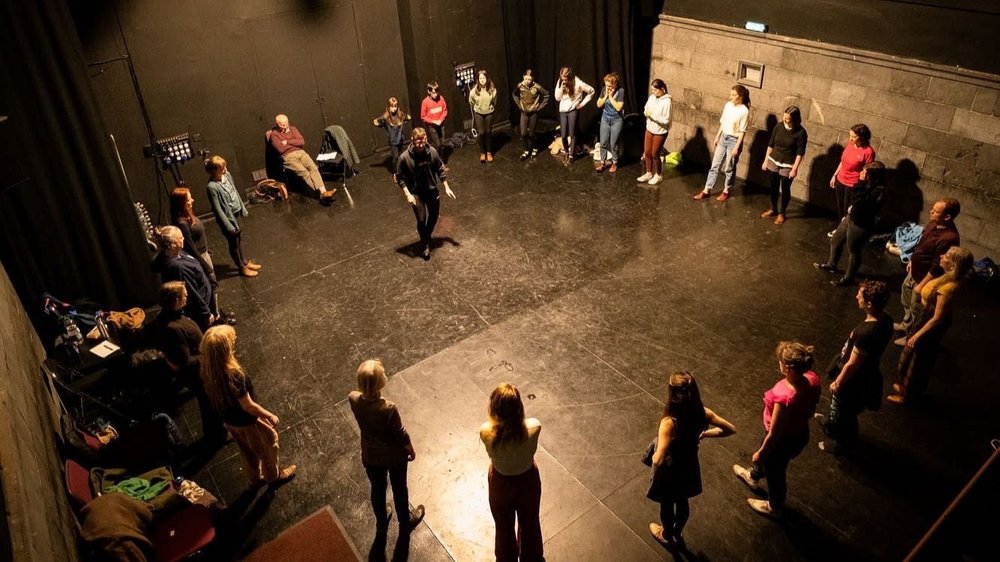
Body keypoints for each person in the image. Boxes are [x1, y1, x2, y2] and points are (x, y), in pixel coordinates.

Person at [647, 372, 735, 549]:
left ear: (672, 394)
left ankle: (666, 535)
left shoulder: (669, 423)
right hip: (689, 466)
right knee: (682, 500)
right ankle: (678, 534)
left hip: (670, 471)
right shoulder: (703, 413)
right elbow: (730, 429)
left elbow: (658, 458)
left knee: (667, 503)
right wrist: (706, 434)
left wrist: (656, 453)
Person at [199, 325, 296, 486]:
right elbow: (248, 405)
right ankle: (273, 477)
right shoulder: (235, 376)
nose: (234, 343)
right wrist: (269, 415)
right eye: (232, 341)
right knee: (269, 443)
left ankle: (254, 479)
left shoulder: (208, 371)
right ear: (226, 350)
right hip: (246, 422)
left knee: (247, 451)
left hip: (230, 421)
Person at [733, 341, 820, 518]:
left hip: (781, 442)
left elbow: (775, 433)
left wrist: (761, 453)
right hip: (801, 433)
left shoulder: (784, 397)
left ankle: (774, 506)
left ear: (787, 367)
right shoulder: (811, 378)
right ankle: (754, 475)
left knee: (776, 473)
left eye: (779, 361)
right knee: (772, 465)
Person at [348, 360, 426, 535]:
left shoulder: (353, 399)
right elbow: (401, 434)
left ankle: (382, 518)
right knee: (399, 488)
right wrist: (410, 448)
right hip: (394, 457)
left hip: (370, 455)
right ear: (380, 383)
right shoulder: (388, 408)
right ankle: (405, 521)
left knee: (377, 488)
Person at [888, 246, 974, 404]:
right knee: (910, 357)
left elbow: (937, 318)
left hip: (929, 324)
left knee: (916, 361)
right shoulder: (947, 277)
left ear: (954, 265)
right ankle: (905, 387)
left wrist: (917, 335)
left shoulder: (947, 289)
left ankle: (907, 396)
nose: (941, 256)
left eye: (947, 256)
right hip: (924, 318)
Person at [817, 281, 893, 453]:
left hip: (854, 380)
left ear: (869, 304)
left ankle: (843, 444)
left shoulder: (867, 333)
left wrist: (839, 381)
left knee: (846, 413)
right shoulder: (886, 319)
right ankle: (831, 424)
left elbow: (852, 364)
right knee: (839, 410)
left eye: (860, 295)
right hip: (865, 373)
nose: (856, 296)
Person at [155, 281, 226, 445]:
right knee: (209, 405)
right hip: (199, 374)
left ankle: (216, 433)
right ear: (177, 299)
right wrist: (209, 353)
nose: (187, 297)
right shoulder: (172, 327)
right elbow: (185, 361)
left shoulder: (169, 315)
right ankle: (215, 437)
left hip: (201, 368)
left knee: (209, 403)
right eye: (185, 295)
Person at [480, 383, 542, 562]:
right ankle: (532, 557)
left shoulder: (486, 433)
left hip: (501, 484)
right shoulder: (534, 428)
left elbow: (491, 427)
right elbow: (527, 424)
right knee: (530, 523)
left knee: (503, 527)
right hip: (527, 481)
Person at [895, 198, 961, 335]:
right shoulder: (933, 224)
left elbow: (938, 265)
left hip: (925, 278)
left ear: (947, 217)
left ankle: (910, 336)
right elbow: (921, 243)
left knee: (917, 308)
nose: (931, 211)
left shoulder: (949, 238)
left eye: (936, 211)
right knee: (906, 296)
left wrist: (922, 285)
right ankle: (906, 324)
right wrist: (912, 260)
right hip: (915, 270)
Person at [814, 161, 886, 286]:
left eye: (864, 172)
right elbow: (857, 200)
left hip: (861, 224)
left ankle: (849, 278)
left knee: (854, 250)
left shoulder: (879, 190)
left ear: (872, 176)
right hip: (851, 217)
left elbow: (861, 203)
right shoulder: (868, 184)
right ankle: (831, 264)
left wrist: (861, 182)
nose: (861, 173)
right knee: (835, 240)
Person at [170, 187, 234, 323]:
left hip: (203, 254)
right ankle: (214, 316)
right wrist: (204, 264)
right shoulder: (182, 223)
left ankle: (215, 311)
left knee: (212, 284)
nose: (192, 200)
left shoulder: (187, 216)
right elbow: (191, 247)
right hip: (199, 257)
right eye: (188, 199)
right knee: (211, 285)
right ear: (181, 203)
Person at [396, 127, 456, 260]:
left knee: (434, 216)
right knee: (421, 220)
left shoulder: (432, 152)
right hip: (416, 193)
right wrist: (408, 194)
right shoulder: (404, 158)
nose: (421, 145)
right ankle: (425, 245)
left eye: (423, 141)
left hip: (432, 190)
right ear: (412, 140)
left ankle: (426, 236)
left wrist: (446, 187)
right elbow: (399, 177)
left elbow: (440, 169)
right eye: (418, 142)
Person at [205, 155, 262, 278]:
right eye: (221, 169)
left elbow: (234, 191)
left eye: (224, 167)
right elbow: (218, 209)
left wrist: (242, 207)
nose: (225, 170)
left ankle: (244, 262)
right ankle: (241, 267)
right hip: (228, 219)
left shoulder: (227, 176)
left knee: (238, 239)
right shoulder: (212, 187)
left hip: (236, 214)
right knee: (233, 243)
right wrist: (228, 225)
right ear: (214, 171)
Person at [694, 85, 750, 201]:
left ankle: (726, 190)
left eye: (733, 95)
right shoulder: (728, 105)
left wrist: (737, 147)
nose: (731, 97)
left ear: (740, 96)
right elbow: (723, 122)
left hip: (734, 140)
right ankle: (707, 189)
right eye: (731, 94)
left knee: (729, 167)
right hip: (724, 137)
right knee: (715, 165)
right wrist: (717, 136)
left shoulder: (744, 111)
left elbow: (742, 131)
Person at [153, 226, 215, 331]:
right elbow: (191, 292)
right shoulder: (179, 267)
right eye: (180, 238)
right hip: (199, 309)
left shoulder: (176, 253)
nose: (183, 239)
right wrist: (206, 313)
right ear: (172, 245)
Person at [269, 114, 336, 202]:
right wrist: (293, 142)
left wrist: (287, 142)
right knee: (304, 172)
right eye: (282, 125)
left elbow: (301, 141)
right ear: (277, 124)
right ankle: (321, 193)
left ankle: (323, 192)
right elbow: (280, 149)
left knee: (313, 168)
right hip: (288, 157)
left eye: (286, 124)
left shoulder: (293, 129)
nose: (285, 127)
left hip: (301, 153)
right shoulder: (274, 135)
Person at [760, 106, 808, 224]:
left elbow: (800, 152)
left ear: (795, 119)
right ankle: (773, 208)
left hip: (788, 163)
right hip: (774, 159)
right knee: (773, 186)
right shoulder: (779, 126)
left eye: (789, 118)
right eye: (785, 117)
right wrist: (766, 160)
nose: (786, 120)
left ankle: (782, 213)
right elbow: (771, 144)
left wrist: (795, 169)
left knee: (785, 188)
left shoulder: (801, 132)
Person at [829, 124, 876, 236]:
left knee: (848, 209)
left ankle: (845, 232)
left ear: (862, 137)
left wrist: (862, 185)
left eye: (854, 136)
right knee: (841, 207)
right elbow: (843, 161)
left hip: (853, 184)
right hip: (841, 179)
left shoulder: (868, 152)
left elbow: (867, 171)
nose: (851, 139)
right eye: (850, 135)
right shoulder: (850, 144)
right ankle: (841, 229)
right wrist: (835, 175)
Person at [553, 66, 595, 165]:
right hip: (563, 110)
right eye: (562, 78)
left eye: (565, 79)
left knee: (572, 133)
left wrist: (582, 104)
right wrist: (561, 89)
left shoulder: (578, 83)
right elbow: (557, 98)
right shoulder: (560, 82)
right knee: (563, 135)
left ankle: (572, 155)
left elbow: (591, 91)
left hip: (572, 110)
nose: (564, 80)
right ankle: (566, 152)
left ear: (570, 77)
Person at [637, 78, 672, 186]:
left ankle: (658, 175)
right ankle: (648, 173)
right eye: (652, 90)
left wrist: (652, 115)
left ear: (662, 89)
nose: (653, 92)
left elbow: (666, 120)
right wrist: (647, 113)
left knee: (655, 154)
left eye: (655, 90)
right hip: (650, 128)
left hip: (660, 131)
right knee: (647, 152)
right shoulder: (652, 97)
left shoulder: (667, 102)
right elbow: (646, 108)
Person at [512, 69, 550, 160]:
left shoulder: (536, 86)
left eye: (529, 79)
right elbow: (514, 94)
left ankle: (535, 147)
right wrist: (519, 105)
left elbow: (546, 94)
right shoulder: (520, 86)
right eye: (526, 79)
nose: (528, 81)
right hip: (524, 113)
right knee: (524, 133)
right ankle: (526, 150)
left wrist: (539, 107)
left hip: (533, 113)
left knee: (531, 133)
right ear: (523, 77)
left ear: (532, 78)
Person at [595, 71, 625, 173]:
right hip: (605, 118)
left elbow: (618, 107)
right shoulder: (604, 90)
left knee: (613, 144)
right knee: (603, 142)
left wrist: (611, 97)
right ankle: (602, 163)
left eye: (609, 85)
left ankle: (614, 163)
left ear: (615, 84)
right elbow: (599, 104)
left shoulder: (620, 91)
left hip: (617, 120)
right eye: (606, 85)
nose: (607, 87)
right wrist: (606, 96)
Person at [372, 97, 412, 173]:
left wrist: (405, 118)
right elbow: (376, 122)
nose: (394, 108)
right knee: (396, 157)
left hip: (400, 139)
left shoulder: (400, 115)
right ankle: (396, 172)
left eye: (395, 106)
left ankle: (402, 170)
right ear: (388, 107)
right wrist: (381, 123)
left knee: (401, 156)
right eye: (392, 106)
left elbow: (408, 117)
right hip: (393, 141)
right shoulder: (386, 117)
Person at [469, 69, 498, 163]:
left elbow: (494, 101)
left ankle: (489, 152)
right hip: (479, 114)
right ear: (478, 79)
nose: (482, 80)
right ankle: (482, 152)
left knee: (488, 132)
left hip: (489, 113)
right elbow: (471, 102)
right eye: (480, 78)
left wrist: (489, 108)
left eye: (484, 78)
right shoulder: (474, 91)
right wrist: (478, 108)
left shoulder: (492, 90)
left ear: (487, 78)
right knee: (481, 133)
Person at [420, 81, 448, 153]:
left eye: (437, 92)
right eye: (433, 93)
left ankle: (442, 160)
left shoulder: (441, 98)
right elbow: (423, 116)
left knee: (442, 143)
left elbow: (445, 111)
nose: (436, 94)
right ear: (429, 91)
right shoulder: (425, 102)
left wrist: (441, 120)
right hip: (432, 127)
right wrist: (433, 121)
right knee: (437, 145)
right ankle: (436, 160)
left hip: (441, 125)